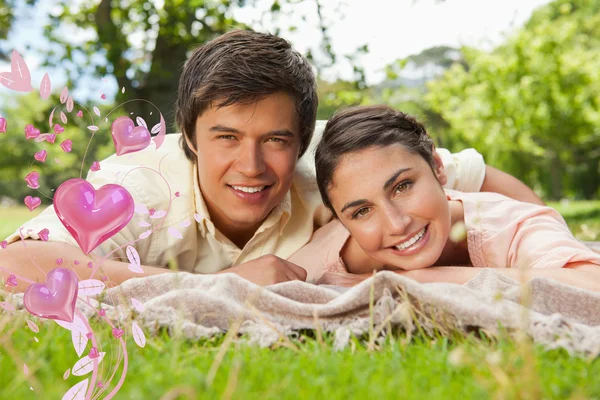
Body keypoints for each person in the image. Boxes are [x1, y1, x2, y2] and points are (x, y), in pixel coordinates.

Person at [0, 30, 542, 291]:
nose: (251, 165)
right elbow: (15, 264)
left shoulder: (340, 160)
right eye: (226, 137)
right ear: (189, 135)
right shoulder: (140, 186)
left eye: (276, 140)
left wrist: (536, 246)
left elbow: (496, 185)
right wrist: (220, 286)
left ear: (304, 137)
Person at [288, 105, 600, 291]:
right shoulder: (338, 255)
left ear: (438, 168)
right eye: (361, 212)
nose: (397, 224)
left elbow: (591, 283)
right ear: (342, 222)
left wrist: (428, 279)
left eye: (402, 186)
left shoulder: (513, 225)